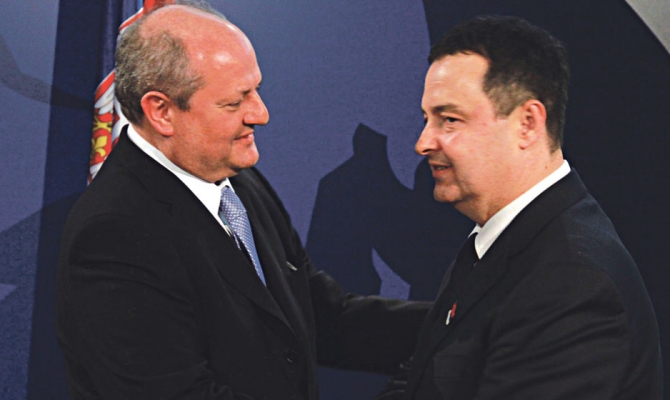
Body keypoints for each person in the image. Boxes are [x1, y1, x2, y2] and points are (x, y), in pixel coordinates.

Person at [55, 3, 428, 399]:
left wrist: (461, 323)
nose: (260, 114)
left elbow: (318, 317)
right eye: (235, 102)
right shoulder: (116, 235)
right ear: (161, 111)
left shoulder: (237, 180)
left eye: (256, 91)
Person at [377, 15, 663, 400]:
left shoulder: (570, 283)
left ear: (527, 123)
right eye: (427, 119)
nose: (423, 142)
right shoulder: (501, 243)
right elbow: (421, 381)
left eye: (449, 119)